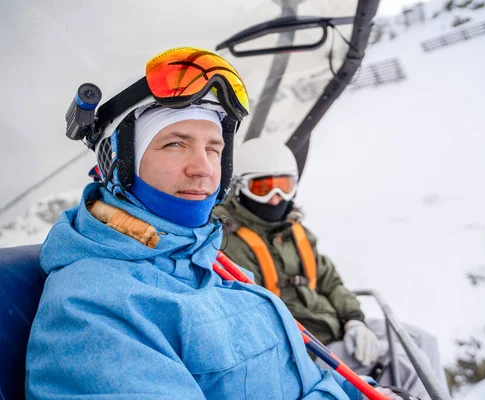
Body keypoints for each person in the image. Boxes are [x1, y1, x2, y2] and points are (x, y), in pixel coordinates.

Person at [24, 46, 403, 400]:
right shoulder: (94, 312)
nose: (204, 169)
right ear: (116, 159)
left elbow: (302, 376)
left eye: (213, 148)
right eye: (175, 143)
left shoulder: (209, 259)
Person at [214, 137, 448, 399]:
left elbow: (331, 282)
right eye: (263, 188)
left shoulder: (295, 233)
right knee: (406, 365)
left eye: (283, 187)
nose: (274, 199)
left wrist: (354, 321)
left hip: (335, 324)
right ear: (238, 188)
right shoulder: (231, 243)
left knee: (423, 341)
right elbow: (259, 313)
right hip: (311, 345)